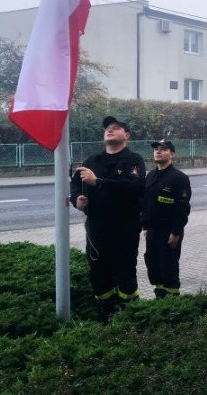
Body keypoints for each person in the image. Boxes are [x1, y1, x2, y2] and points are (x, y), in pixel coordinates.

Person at [70, 116, 146, 322]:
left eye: (116, 128)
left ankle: (130, 316)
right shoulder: (92, 161)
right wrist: (78, 200)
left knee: (125, 272)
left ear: (126, 135)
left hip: (124, 228)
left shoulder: (134, 160)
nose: (109, 130)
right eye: (107, 128)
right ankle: (105, 316)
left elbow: (133, 186)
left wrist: (98, 182)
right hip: (97, 229)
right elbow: (76, 184)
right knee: (99, 273)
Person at [142, 139, 192, 298]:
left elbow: (183, 208)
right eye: (156, 149)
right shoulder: (150, 176)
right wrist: (145, 226)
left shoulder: (179, 178)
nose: (158, 151)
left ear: (172, 154)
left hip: (169, 231)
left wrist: (176, 232)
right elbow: (146, 203)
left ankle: (172, 300)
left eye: (163, 149)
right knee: (153, 265)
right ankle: (160, 296)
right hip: (152, 230)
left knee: (168, 267)